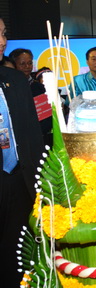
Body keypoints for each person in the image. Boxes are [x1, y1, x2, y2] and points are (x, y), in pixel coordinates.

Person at [0, 18, 45, 287]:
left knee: (16, 255)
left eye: (4, 34)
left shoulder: (15, 80)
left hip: (19, 180)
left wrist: (41, 182)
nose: (2, 41)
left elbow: (32, 135)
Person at [9, 49, 52, 145]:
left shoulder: (39, 87)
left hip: (40, 137)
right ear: (13, 65)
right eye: (22, 64)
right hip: (17, 138)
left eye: (30, 63)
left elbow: (47, 115)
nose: (27, 67)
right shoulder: (8, 88)